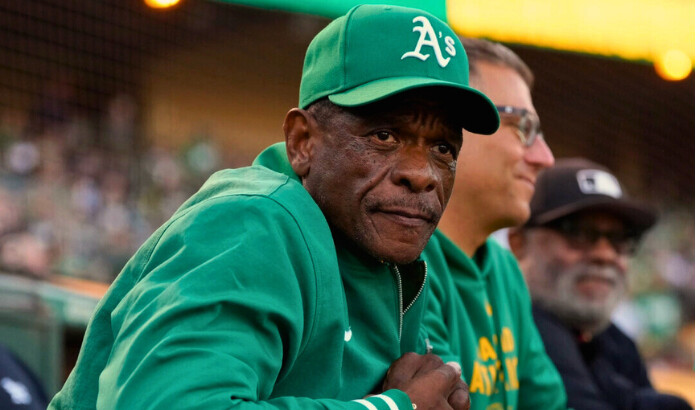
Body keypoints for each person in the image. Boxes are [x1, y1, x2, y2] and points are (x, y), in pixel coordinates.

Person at [48, 5, 501, 410]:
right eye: (384, 136)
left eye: (443, 147)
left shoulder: (388, 254)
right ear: (302, 143)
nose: (422, 173)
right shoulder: (251, 224)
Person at [422, 38, 568, 409]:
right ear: (455, 125)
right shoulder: (403, 259)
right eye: (523, 128)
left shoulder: (504, 268)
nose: (545, 158)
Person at [508, 158, 693, 410]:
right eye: (579, 233)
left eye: (619, 238)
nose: (605, 255)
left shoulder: (615, 341)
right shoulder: (511, 326)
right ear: (519, 242)